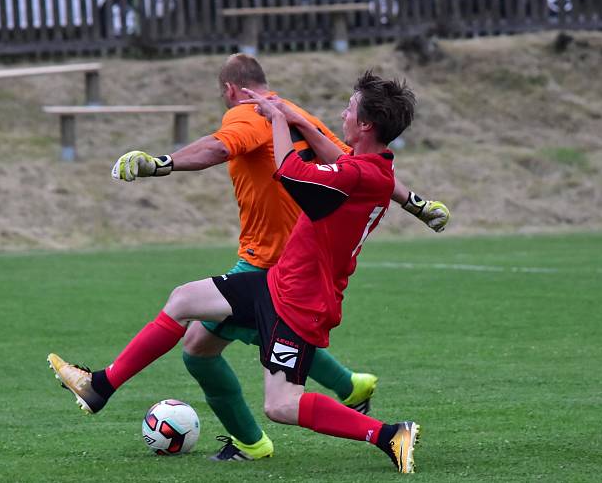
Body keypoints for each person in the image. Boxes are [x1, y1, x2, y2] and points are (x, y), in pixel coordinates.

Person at [49, 70, 422, 472]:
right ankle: (99, 386)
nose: (342, 114)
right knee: (183, 299)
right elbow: (338, 160)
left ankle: (389, 435)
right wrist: (293, 119)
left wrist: (279, 121)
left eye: (349, 108)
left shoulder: (360, 174)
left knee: (281, 406)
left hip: (299, 303)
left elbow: (292, 173)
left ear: (365, 124)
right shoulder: (369, 168)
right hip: (278, 284)